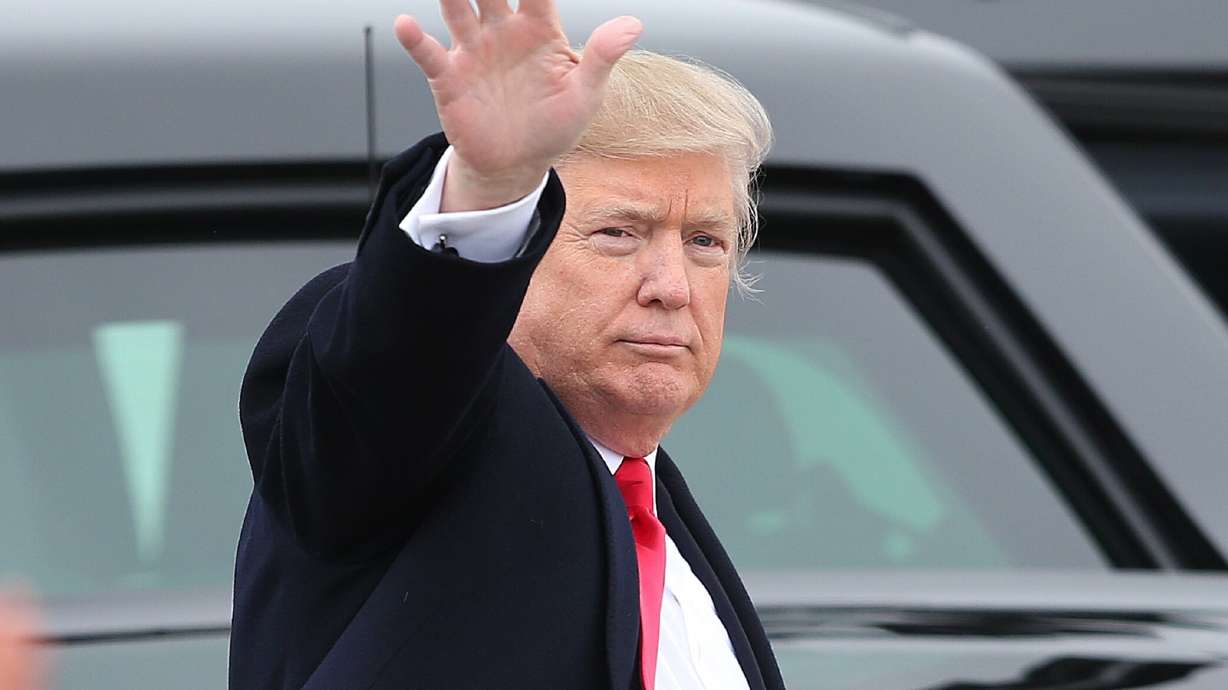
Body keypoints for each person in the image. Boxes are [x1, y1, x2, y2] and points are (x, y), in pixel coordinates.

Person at [229, 1, 780, 688]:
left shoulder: (672, 535)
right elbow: (400, 361)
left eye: (704, 241)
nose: (671, 286)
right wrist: (489, 187)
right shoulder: (425, 443)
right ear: (520, 248)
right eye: (618, 233)